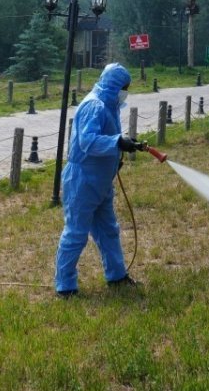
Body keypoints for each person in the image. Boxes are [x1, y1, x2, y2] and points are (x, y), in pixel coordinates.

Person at [54, 62, 145, 298]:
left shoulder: (109, 105)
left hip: (101, 181)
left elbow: (108, 136)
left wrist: (121, 146)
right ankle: (65, 286)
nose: (126, 92)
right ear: (114, 85)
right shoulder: (94, 105)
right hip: (82, 180)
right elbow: (88, 142)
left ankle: (116, 275)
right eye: (124, 87)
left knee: (108, 230)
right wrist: (117, 142)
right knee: (76, 233)